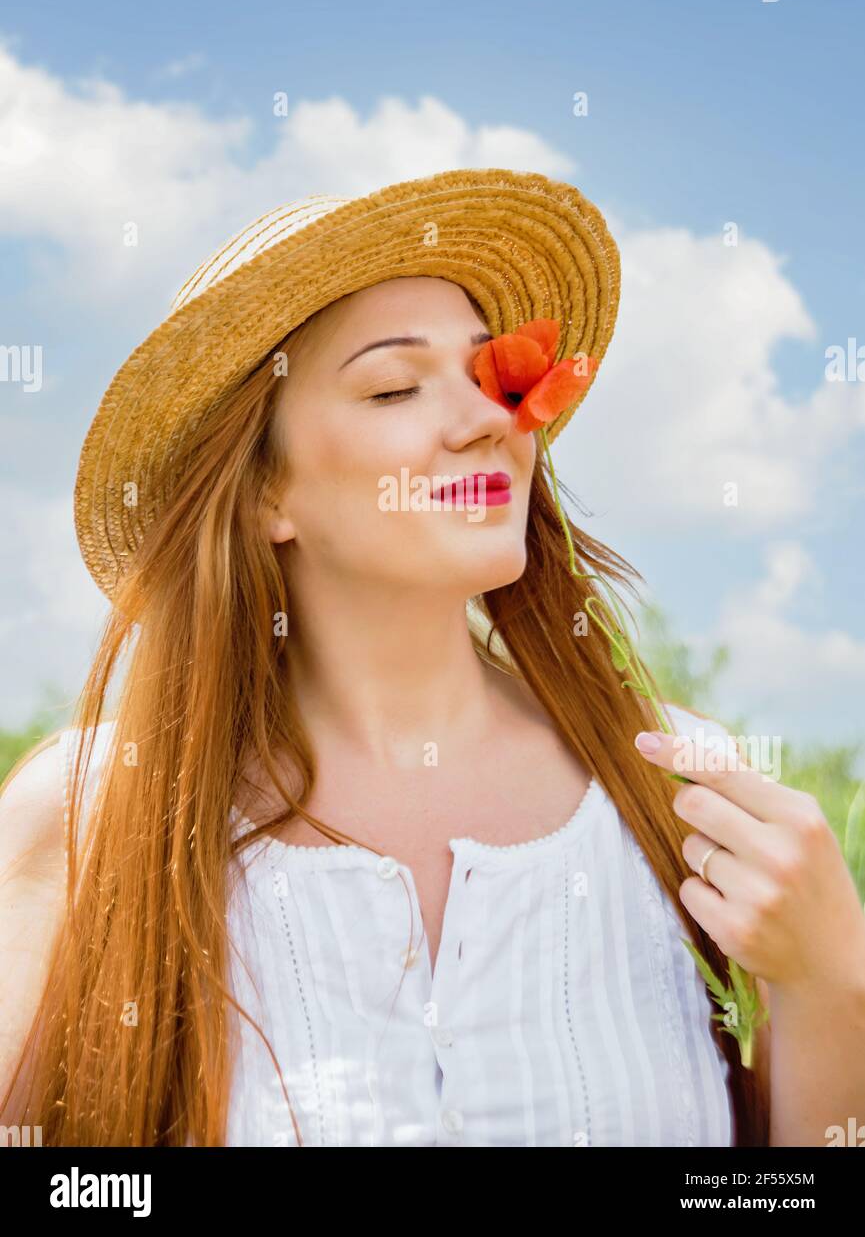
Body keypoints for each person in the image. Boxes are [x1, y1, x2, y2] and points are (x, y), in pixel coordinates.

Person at [0, 169, 780, 1145]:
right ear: (261, 496)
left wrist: (832, 975)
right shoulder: (85, 814)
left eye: (492, 377)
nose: (490, 419)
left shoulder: (685, 790)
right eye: (394, 386)